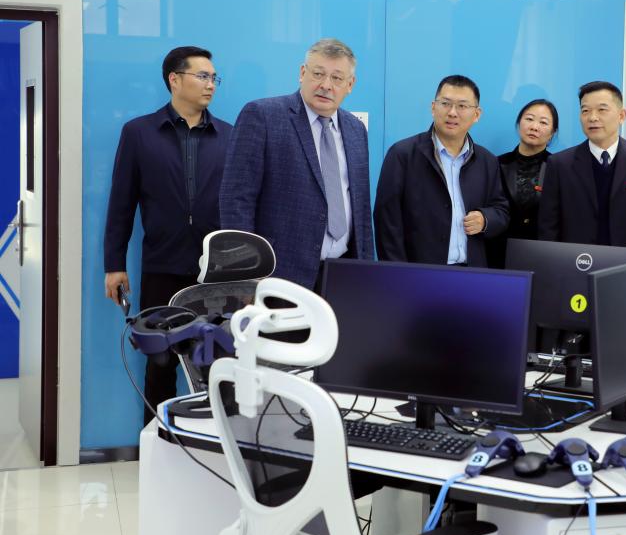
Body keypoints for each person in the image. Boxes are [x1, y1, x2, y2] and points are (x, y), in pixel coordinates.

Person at [103, 45, 232, 423]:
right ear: (175, 80)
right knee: (160, 364)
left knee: (217, 363)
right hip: (162, 266)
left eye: (214, 78)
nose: (211, 84)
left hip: (216, 274)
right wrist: (114, 264)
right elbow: (121, 202)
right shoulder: (140, 133)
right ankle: (158, 440)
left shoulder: (229, 135)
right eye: (202, 76)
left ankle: (214, 443)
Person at [219, 38, 373, 289]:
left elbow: (361, 209)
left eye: (337, 78)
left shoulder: (356, 130)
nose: (326, 85)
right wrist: (245, 274)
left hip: (343, 275)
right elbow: (236, 200)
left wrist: (366, 271)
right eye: (318, 74)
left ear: (350, 84)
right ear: (302, 73)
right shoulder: (263, 116)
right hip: (278, 274)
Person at [374, 74, 509, 266]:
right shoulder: (403, 154)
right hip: (419, 271)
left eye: (462, 106)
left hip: (472, 271)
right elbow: (387, 222)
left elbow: (501, 210)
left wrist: (485, 219)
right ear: (433, 107)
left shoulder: (487, 161)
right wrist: (399, 273)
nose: (452, 112)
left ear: (476, 114)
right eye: (445, 104)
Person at [537, 81, 626, 249]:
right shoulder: (559, 164)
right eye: (585, 110)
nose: (592, 117)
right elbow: (548, 227)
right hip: (575, 261)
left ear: (622, 116)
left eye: (602, 109)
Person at [486, 99, 559, 268]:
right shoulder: (496, 164)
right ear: (519, 123)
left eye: (543, 122)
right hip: (498, 255)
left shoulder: (558, 168)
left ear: (552, 132)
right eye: (529, 119)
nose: (534, 127)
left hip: (542, 257)